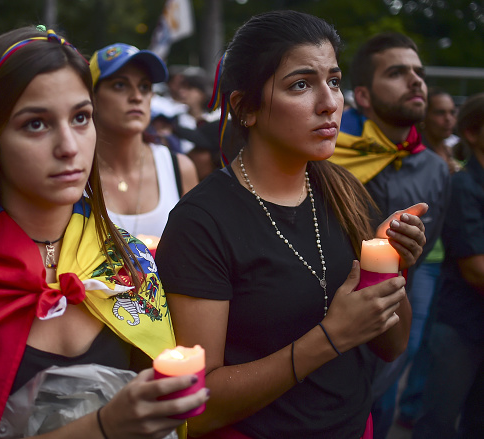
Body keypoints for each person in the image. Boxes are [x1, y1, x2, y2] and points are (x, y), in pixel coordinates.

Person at [0, 27, 208, 439]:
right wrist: (104, 427)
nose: (69, 146)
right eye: (36, 124)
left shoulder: (126, 258)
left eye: (80, 118)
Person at [156, 10, 427, 438]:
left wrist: (389, 264)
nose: (330, 103)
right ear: (246, 108)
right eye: (301, 84)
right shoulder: (202, 223)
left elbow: (391, 346)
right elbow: (198, 405)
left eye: (334, 81)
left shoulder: (344, 190)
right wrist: (330, 337)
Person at [330, 32, 450, 439]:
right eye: (397, 73)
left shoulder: (436, 170)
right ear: (362, 96)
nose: (415, 81)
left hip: (392, 336)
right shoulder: (330, 159)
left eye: (419, 72)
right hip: (328, 336)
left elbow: (426, 248)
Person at [413, 93, 484, 439]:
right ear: (472, 133)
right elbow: (476, 269)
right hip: (462, 325)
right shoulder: (463, 185)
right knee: (438, 421)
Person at [395, 87, 462, 429]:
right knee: (411, 338)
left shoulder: (454, 158)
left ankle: (412, 405)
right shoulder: (410, 159)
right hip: (422, 262)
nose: (448, 118)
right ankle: (392, 404)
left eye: (452, 112)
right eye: (440, 112)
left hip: (449, 261)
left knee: (431, 343)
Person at [90, 43, 198, 239]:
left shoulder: (178, 169)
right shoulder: (74, 172)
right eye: (120, 85)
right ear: (92, 98)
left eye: (144, 87)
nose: (137, 97)